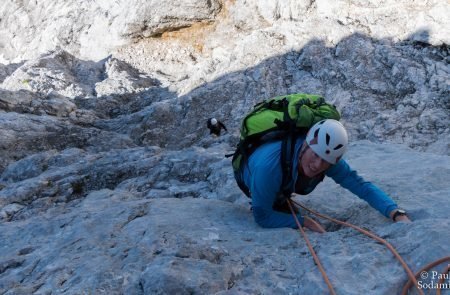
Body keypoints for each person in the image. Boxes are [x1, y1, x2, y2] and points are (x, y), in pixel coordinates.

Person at [236, 119, 411, 232]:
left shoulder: (325, 153)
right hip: (251, 173)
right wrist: (304, 221)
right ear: (305, 144)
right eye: (315, 156)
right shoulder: (269, 168)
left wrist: (395, 212)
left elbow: (359, 185)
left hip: (278, 173)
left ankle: (280, 195)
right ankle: (276, 195)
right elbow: (262, 216)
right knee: (272, 192)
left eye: (325, 161)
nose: (318, 165)